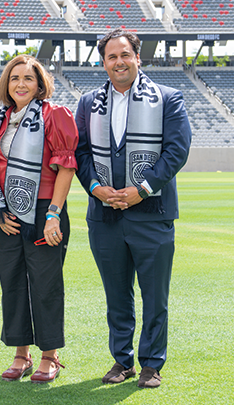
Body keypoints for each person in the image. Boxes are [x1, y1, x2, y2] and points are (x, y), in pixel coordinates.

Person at [75, 29, 191, 388]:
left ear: (138, 58)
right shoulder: (88, 102)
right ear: (103, 62)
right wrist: (96, 188)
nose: (119, 62)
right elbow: (79, 153)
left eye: (125, 55)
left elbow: (177, 150)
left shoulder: (168, 98)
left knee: (155, 296)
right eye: (112, 57)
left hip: (152, 214)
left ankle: (152, 364)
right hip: (105, 216)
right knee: (116, 296)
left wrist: (143, 189)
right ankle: (121, 361)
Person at [0, 54, 78, 384]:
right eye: (14, 78)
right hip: (7, 214)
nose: (21, 84)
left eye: (28, 78)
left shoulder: (55, 115)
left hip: (43, 212)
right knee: (12, 286)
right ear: (7, 84)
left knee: (45, 287)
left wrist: (54, 214)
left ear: (40, 85)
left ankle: (50, 356)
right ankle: (21, 354)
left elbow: (66, 166)